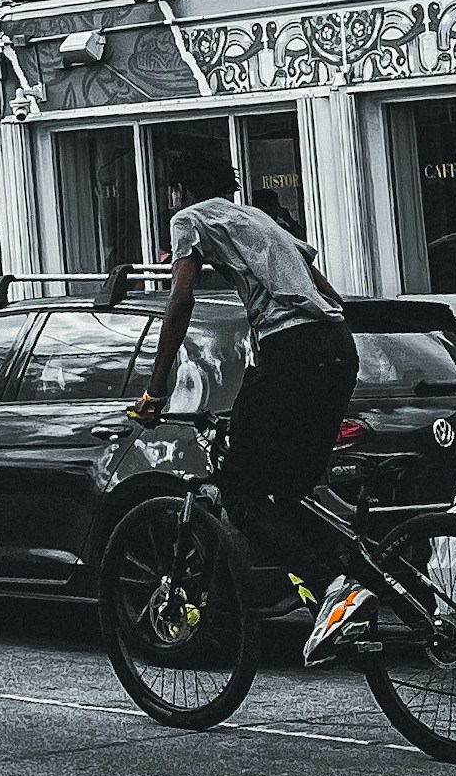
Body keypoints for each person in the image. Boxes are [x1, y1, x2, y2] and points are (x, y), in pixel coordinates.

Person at [128, 150, 370, 664]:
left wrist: (156, 389)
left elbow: (180, 299)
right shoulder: (259, 219)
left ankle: (336, 589)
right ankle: (359, 580)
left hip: (290, 351)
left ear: (179, 190)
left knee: (241, 494)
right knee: (287, 490)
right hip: (336, 344)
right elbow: (323, 287)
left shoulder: (189, 219)